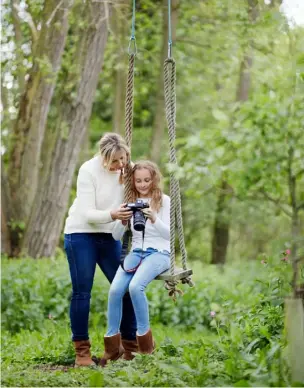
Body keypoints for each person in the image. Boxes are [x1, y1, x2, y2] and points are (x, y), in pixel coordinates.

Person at [63, 132, 137, 367]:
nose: (120, 165)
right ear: (103, 157)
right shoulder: (88, 170)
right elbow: (87, 213)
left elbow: (146, 188)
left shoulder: (128, 169)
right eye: (114, 161)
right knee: (82, 292)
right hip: (80, 234)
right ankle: (82, 353)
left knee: (125, 287)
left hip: (109, 236)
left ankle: (129, 347)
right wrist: (113, 214)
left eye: (123, 159)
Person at [100, 160, 170, 366]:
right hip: (136, 252)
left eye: (147, 180)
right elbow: (115, 236)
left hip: (159, 253)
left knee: (135, 287)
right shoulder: (129, 200)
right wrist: (121, 221)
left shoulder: (163, 200)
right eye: (138, 180)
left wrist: (154, 218)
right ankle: (112, 348)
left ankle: (146, 348)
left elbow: (169, 235)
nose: (142, 184)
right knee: (114, 291)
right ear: (133, 180)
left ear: (154, 179)